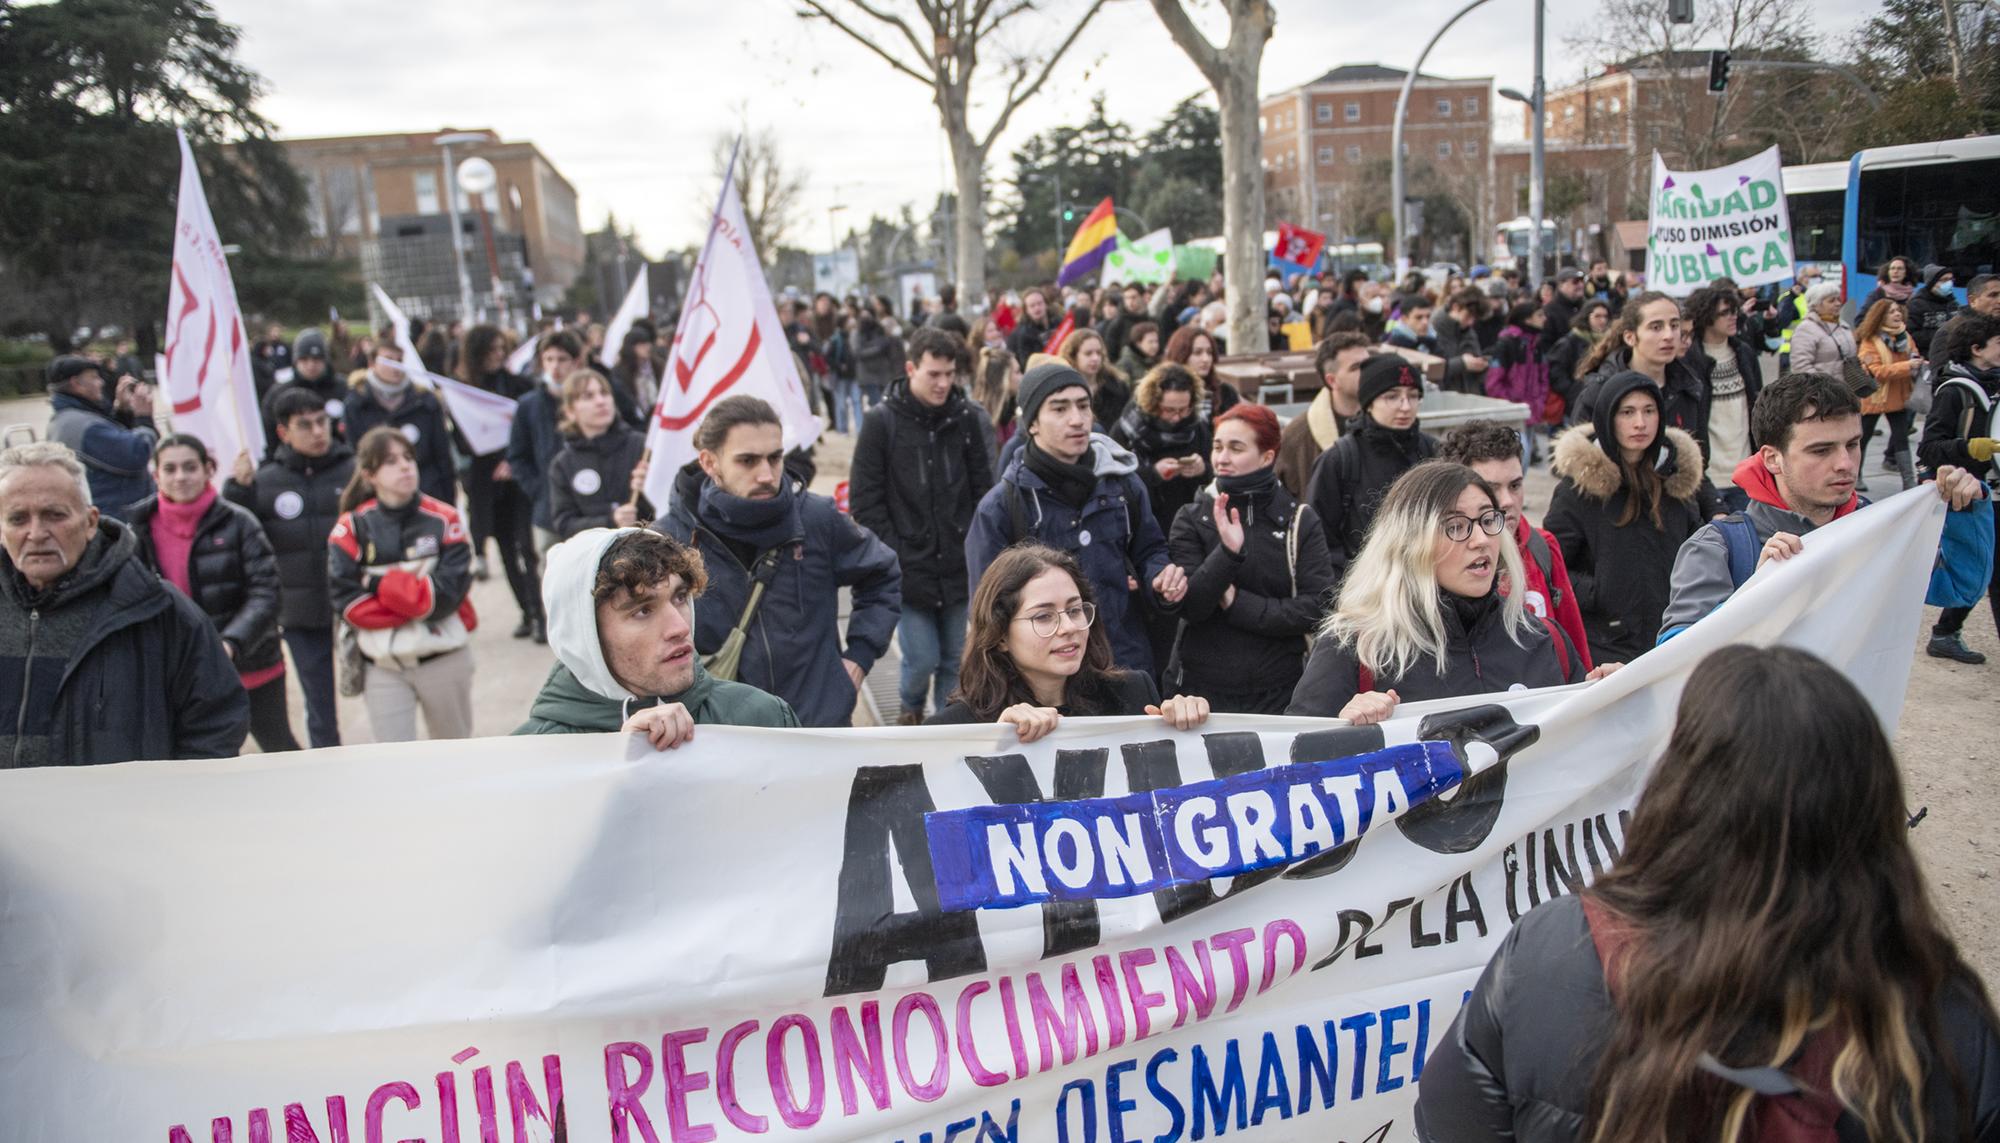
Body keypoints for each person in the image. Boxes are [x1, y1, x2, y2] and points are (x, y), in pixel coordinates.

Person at [1413, 644, 2000, 1142]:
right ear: (1872, 811)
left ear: (1678, 790)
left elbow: (1449, 1121)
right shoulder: (1945, 1022)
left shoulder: (1551, 953)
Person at [1659, 370, 1984, 644]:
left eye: (1853, 444)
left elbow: (1958, 588)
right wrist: (1756, 596)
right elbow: (1673, 656)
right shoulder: (1720, 546)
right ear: (1773, 458)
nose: (1845, 463)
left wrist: (1967, 508)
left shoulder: (1877, 526)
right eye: (1821, 450)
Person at [1287, 461, 1606, 720]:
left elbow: (1585, 757)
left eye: (1487, 519)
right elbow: (1293, 765)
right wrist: (1342, 728)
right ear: (1410, 543)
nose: (1480, 539)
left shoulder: (1544, 640)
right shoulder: (1357, 648)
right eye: (1455, 526)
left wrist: (1613, 698)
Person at [657, 396, 902, 727]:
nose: (765, 474)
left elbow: (882, 574)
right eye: (747, 461)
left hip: (818, 727)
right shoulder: (670, 540)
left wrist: (858, 658)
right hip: (724, 738)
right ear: (710, 463)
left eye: (775, 458)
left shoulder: (817, 518)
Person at [0, 441, 245, 765]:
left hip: (125, 814)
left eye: (54, 515)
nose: (36, 533)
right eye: (18, 519)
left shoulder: (158, 610)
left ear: (90, 522)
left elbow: (216, 723)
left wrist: (176, 801)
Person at [966, 361, 1184, 675]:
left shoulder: (1123, 484)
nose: (1077, 420)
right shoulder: (1001, 508)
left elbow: (1150, 549)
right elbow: (987, 611)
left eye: (1084, 406)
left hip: (1124, 662)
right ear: (1032, 424)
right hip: (1047, 680)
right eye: (1059, 409)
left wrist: (1161, 578)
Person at [515, 528, 798, 739]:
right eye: (643, 611)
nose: (680, 628)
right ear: (585, 636)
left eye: (680, 597)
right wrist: (617, 764)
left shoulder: (762, 719)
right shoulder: (527, 761)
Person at [850, 327, 996, 724]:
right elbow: (865, 500)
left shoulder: (966, 418)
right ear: (911, 368)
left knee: (955, 659)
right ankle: (910, 712)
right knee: (920, 658)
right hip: (907, 569)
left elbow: (985, 490)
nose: (943, 383)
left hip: (958, 567)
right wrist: (895, 552)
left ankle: (942, 727)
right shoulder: (882, 423)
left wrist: (972, 545)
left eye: (950, 374)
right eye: (934, 374)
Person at [927, 543, 1210, 737]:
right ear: (1000, 635)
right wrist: (995, 744)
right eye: (1043, 617)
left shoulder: (1133, 694)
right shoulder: (955, 729)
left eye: (1074, 610)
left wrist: (1187, 726)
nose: (1069, 627)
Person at [128, 435, 296, 754]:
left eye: (190, 467)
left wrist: (231, 643)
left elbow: (266, 592)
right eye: (171, 468)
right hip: (179, 676)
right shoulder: (137, 528)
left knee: (279, 749)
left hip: (251, 664)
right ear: (156, 475)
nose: (180, 477)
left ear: (208, 470)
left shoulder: (239, 522)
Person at [1164, 404, 1335, 713]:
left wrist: (1237, 603)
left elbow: (1316, 608)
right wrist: (1227, 554)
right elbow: (1192, 606)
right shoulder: (1191, 517)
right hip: (1202, 691)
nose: (1222, 458)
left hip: (1280, 690)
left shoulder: (1300, 520)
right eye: (1217, 447)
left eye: (1236, 448)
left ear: (1267, 456)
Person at [328, 426, 477, 743]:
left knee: (459, 761)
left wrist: (374, 581)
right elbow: (348, 605)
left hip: (444, 660)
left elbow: (444, 598)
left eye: (409, 457)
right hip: (382, 669)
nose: (406, 466)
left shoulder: (446, 519)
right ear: (369, 475)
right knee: (394, 766)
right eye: (391, 461)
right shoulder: (351, 528)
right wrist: (413, 599)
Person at [1546, 371, 1706, 664]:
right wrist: (1600, 592)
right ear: (1608, 417)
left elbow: (1698, 550)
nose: (1640, 423)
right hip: (1606, 645)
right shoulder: (1577, 489)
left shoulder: (1675, 481)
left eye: (1649, 411)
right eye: (1627, 412)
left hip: (1672, 637)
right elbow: (1552, 566)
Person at [225, 388, 354, 749]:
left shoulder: (353, 470)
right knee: (320, 705)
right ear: (284, 432)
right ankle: (329, 768)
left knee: (380, 690)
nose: (318, 432)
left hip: (354, 608)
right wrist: (238, 491)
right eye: (305, 425)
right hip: (301, 612)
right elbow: (238, 537)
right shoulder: (264, 481)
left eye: (321, 422)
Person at [1438, 420, 1591, 670]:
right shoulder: (1441, 554)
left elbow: (1575, 647)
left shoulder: (1543, 546)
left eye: (1515, 485)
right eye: (1491, 488)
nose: (1507, 501)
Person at [1574, 292, 1717, 514]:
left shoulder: (1690, 387)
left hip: (1675, 518)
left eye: (1674, 325)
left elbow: (1698, 464)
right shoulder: (1599, 393)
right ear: (1631, 337)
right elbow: (1577, 464)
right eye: (1656, 327)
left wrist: (1716, 510)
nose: (1669, 335)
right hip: (1615, 516)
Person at [1305, 353, 1440, 580]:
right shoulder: (1340, 460)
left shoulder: (1433, 452)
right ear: (1369, 404)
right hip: (1364, 592)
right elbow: (1319, 540)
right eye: (1392, 397)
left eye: (1413, 396)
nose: (1405, 406)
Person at [1920, 313, 2000, 664]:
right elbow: (1929, 447)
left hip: (1991, 491)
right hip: (1967, 494)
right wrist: (1970, 449)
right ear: (1977, 349)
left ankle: (1946, 631)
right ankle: (1944, 633)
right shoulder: (1955, 390)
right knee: (1990, 569)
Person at [456, 324, 541, 641]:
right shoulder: (465, 390)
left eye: (500, 349)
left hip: (518, 478)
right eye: (490, 351)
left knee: (526, 546)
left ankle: (539, 612)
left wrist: (512, 459)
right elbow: (462, 440)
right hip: (486, 482)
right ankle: (525, 611)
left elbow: (530, 430)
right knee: (505, 548)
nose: (497, 356)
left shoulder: (518, 384)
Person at [342, 341, 456, 508]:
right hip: (379, 498)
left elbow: (441, 454)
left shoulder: (425, 401)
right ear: (372, 363)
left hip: (425, 491)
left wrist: (447, 498)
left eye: (400, 361)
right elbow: (356, 453)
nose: (396, 367)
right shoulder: (357, 403)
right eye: (389, 360)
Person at [43, 354, 155, 522]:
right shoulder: (83, 425)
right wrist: (144, 419)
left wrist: (122, 412)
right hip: (119, 518)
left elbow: (108, 451)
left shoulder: (69, 418)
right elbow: (136, 454)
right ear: (76, 383)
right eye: (94, 377)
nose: (101, 382)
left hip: (109, 512)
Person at [1682, 285, 1763, 512]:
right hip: (1708, 476)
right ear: (1706, 317)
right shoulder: (1690, 359)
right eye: (1724, 313)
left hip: (1744, 473)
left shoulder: (1744, 353)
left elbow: (1758, 406)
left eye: (1734, 311)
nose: (1733, 317)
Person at [547, 370, 650, 539]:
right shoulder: (563, 464)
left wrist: (648, 488)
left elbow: (668, 503)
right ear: (570, 411)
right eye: (588, 396)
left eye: (604, 393)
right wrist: (610, 520)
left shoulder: (641, 445)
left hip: (645, 548)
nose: (601, 401)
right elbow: (564, 524)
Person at [1112, 363, 1212, 538]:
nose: (1176, 417)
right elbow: (1114, 478)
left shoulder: (1197, 426)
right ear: (1153, 403)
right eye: (1169, 410)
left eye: (1183, 409)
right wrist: (1153, 474)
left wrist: (1202, 468)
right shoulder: (1127, 429)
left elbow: (1217, 471)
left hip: (1191, 522)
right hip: (1145, 523)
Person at [509, 329, 582, 563]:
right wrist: (538, 490)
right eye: (549, 359)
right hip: (547, 512)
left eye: (562, 359)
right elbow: (517, 456)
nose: (555, 367)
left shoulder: (591, 398)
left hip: (588, 508)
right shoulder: (528, 405)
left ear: (576, 362)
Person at [1276, 333, 1370, 498]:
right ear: (1332, 380)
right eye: (1356, 368)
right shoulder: (1298, 435)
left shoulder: (1387, 422)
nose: (1368, 372)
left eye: (1369, 364)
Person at [1856, 299, 1919, 491]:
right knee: (1863, 438)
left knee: (1901, 438)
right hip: (1874, 397)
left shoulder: (1905, 336)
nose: (1897, 314)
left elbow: (1913, 354)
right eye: (1891, 312)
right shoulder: (1870, 340)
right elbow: (1876, 370)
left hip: (1898, 396)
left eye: (1898, 311)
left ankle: (1909, 481)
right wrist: (1907, 367)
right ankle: (1855, 476)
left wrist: (1916, 362)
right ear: (1880, 315)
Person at [261, 329, 347, 451]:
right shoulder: (278, 394)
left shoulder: (342, 387)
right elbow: (269, 433)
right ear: (296, 362)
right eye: (304, 359)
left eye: (317, 359)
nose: (311, 365)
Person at [1057, 327, 1130, 432]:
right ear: (1073, 356)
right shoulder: (1061, 388)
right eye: (1088, 353)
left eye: (1098, 353)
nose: (1095, 358)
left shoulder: (1118, 386)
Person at [1925, 272, 2000, 372]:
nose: (1999, 300)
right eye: (1993, 295)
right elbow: (1941, 375)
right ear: (1972, 300)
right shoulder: (1950, 330)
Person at [1788, 281, 1858, 381]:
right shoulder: (1806, 329)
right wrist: (1825, 387)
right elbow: (1800, 367)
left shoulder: (1843, 325)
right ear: (1816, 304)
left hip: (1846, 390)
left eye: (1838, 299)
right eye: (1831, 301)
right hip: (1823, 392)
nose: (1838, 303)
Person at [1433, 288, 1492, 394]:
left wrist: (1483, 364)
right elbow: (1430, 371)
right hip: (1444, 398)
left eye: (1474, 318)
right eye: (1468, 316)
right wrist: (1461, 364)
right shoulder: (1433, 330)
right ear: (1455, 307)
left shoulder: (1469, 333)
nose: (1471, 322)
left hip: (1471, 397)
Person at [1907, 263, 1960, 361]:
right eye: (1944, 280)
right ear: (1932, 283)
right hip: (1929, 357)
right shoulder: (1917, 304)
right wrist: (1944, 336)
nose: (1949, 283)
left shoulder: (1953, 303)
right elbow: (1911, 335)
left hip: (1953, 355)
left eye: (1951, 279)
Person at [971, 346, 1019, 453]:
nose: (1022, 376)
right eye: (1017, 372)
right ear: (1004, 378)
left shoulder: (1010, 413)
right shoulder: (981, 419)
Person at [1538, 268, 1586, 357]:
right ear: (1561, 285)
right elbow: (1546, 345)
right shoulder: (1549, 311)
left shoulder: (1586, 308)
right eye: (1575, 282)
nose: (1580, 285)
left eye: (1582, 281)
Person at [1008, 287, 1058, 367]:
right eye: (1032, 306)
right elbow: (1026, 364)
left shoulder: (1059, 323)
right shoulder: (1023, 334)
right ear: (1026, 310)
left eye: (1039, 303)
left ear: (1046, 304)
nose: (1037, 308)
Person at [1115, 320, 1161, 385]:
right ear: (1138, 343)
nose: (1155, 346)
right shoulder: (1124, 365)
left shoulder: (1158, 362)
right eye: (1150, 342)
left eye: (1156, 341)